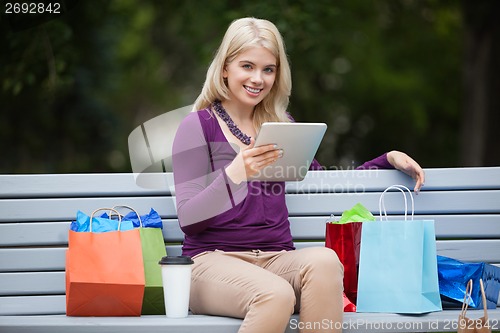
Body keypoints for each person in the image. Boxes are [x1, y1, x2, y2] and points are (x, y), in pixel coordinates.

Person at [172, 17, 425, 333]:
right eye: (247, 66)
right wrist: (236, 173)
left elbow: (327, 181)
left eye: (268, 69)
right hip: (210, 263)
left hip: (276, 260)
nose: (258, 79)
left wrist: (386, 160)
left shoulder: (282, 127)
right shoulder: (197, 127)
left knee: (325, 261)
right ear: (225, 68)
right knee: (274, 295)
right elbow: (189, 219)